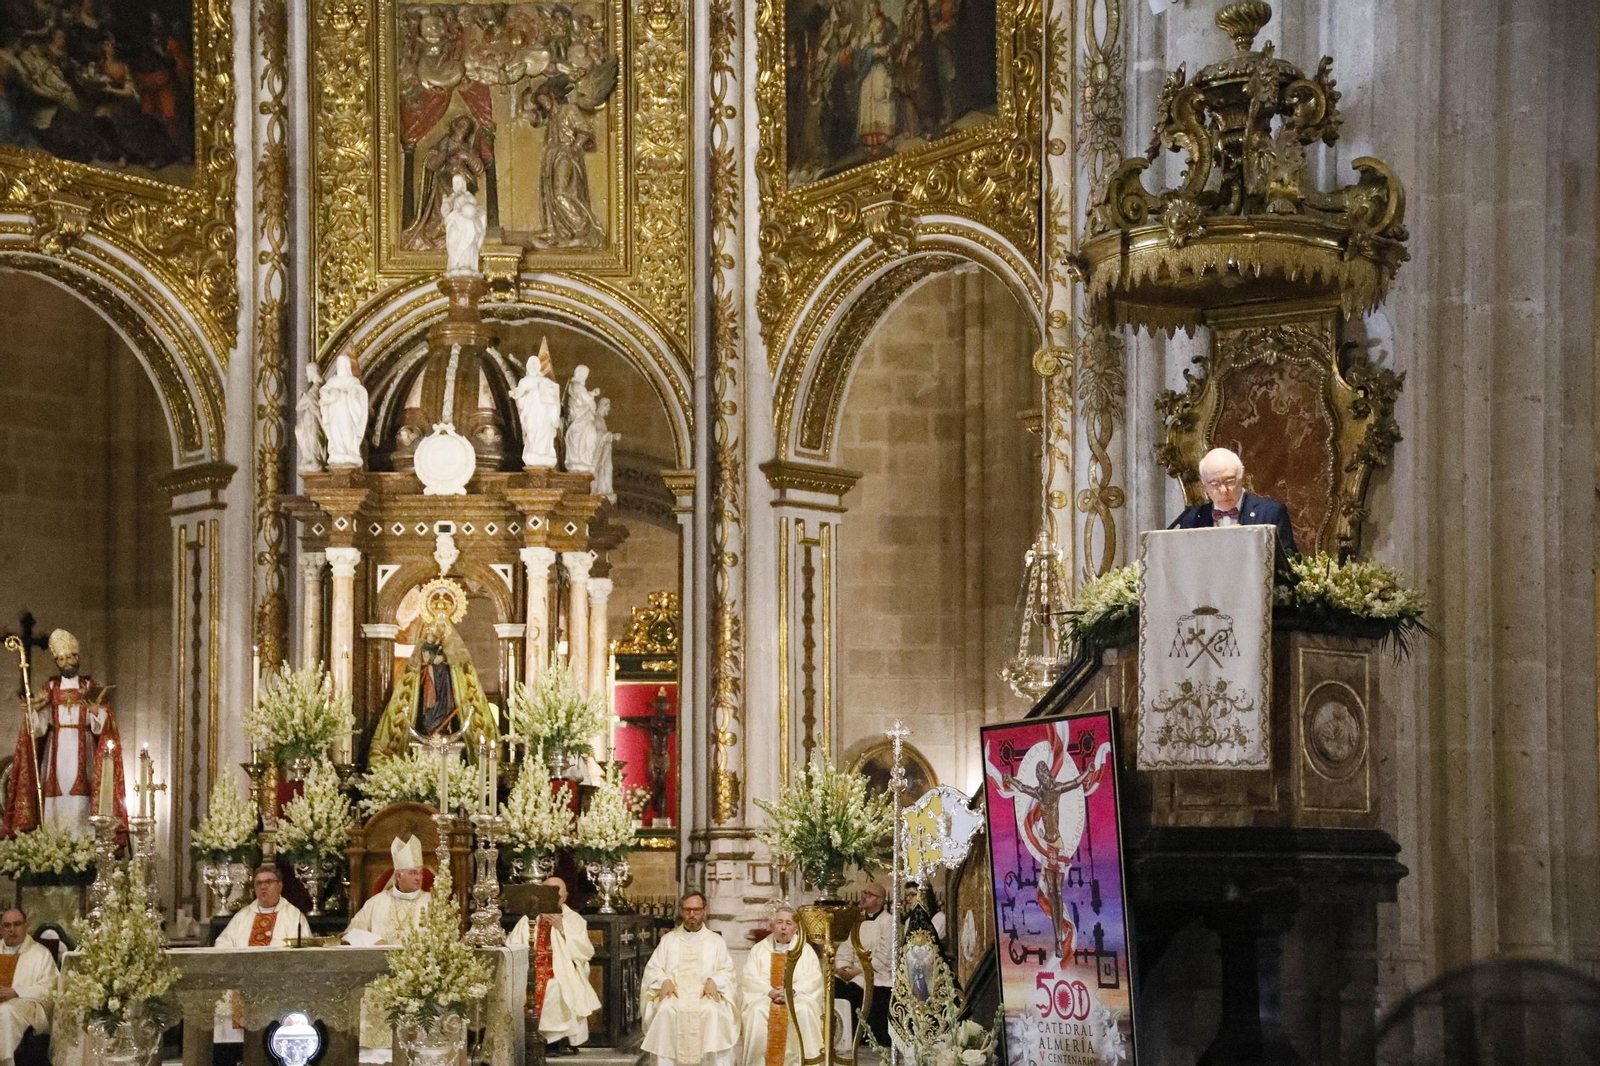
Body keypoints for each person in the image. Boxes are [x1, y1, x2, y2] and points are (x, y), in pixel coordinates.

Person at [2, 628, 126, 836]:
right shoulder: (50, 688)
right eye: (60, 659)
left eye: (69, 657)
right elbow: (39, 728)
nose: (66, 662)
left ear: (77, 657)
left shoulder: (89, 685)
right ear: (56, 662)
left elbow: (101, 725)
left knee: (81, 799)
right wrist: (32, 713)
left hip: (82, 747)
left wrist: (96, 711)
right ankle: (54, 847)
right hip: (56, 751)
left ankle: (82, 848)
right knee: (55, 801)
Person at [345, 836, 432, 1055]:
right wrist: (374, 941)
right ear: (399, 875)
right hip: (379, 979)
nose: (418, 878)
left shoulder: (432, 903)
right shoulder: (376, 903)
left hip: (418, 979)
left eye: (420, 873)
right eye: (413, 873)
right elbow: (350, 933)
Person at [212, 866, 312, 1055]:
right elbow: (222, 944)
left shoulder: (294, 916)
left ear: (280, 886)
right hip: (243, 985)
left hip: (280, 986)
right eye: (259, 883)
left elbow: (303, 954)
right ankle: (235, 1055)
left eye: (268, 882)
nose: (263, 888)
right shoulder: (242, 916)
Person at [640, 892, 739, 1066]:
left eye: (696, 910)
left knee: (711, 1011)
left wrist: (714, 980)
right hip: (675, 995)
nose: (692, 915)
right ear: (681, 911)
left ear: (705, 911)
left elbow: (727, 971)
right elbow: (653, 969)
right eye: (687, 910)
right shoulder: (668, 940)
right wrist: (664, 980)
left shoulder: (716, 942)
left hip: (704, 996)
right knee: (665, 1011)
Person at [509, 876, 601, 1054]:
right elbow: (514, 944)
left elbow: (585, 951)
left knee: (556, 989)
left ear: (564, 897)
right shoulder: (528, 919)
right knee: (521, 990)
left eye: (555, 892)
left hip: (561, 972)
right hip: (529, 972)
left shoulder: (573, 919)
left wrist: (562, 928)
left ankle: (556, 1041)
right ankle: (529, 1039)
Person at [1168, 447, 1299, 560]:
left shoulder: (1271, 513)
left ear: (1241, 474)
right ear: (1203, 482)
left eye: (1230, 481)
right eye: (1214, 484)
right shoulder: (1192, 518)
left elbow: (1289, 566)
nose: (1223, 490)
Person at [739, 906, 823, 1066]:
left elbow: (814, 979)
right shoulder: (758, 950)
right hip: (765, 998)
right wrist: (769, 991)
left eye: (788, 923)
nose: (783, 927)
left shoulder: (805, 950)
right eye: (779, 922)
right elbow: (750, 977)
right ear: (772, 926)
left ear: (796, 928)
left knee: (804, 1011)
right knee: (757, 1012)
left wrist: (791, 991)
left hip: (797, 998)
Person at [833, 882, 891, 1046]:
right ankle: (840, 1038)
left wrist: (859, 970)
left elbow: (886, 955)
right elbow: (847, 947)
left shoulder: (889, 923)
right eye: (863, 892)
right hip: (855, 973)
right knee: (834, 985)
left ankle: (858, 1038)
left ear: (880, 901)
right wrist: (842, 967)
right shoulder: (858, 922)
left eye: (869, 894)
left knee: (853, 991)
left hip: (878, 975)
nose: (864, 896)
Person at [0, 908, 56, 1064]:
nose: (12, 929)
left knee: (5, 1011)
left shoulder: (40, 954)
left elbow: (50, 989)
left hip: (25, 1005)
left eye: (17, 924)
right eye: (7, 925)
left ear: (26, 926)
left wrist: (16, 992)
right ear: (1, 929)